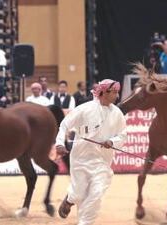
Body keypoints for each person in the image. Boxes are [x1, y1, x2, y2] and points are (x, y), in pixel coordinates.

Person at [56, 79, 127, 225]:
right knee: (79, 194)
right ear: (103, 92)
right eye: (114, 92)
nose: (117, 96)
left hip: (102, 162)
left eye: (117, 93)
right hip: (80, 159)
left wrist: (112, 142)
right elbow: (64, 125)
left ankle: (84, 223)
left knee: (96, 194)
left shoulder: (118, 113)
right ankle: (70, 199)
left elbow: (123, 135)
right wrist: (59, 143)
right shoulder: (84, 109)